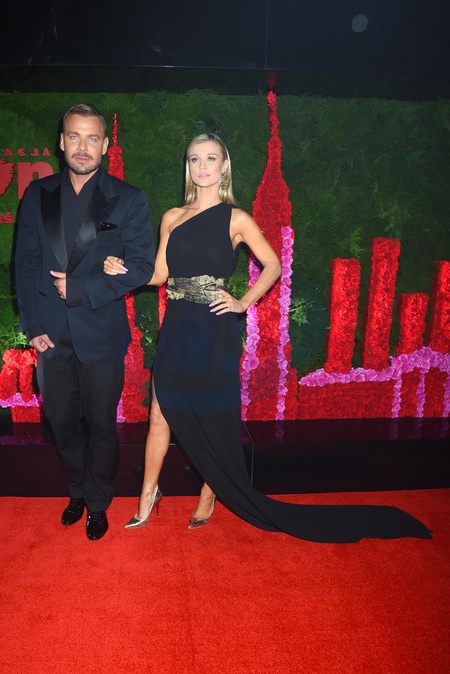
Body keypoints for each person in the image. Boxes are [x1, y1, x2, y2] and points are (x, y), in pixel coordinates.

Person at [104, 133, 432, 543]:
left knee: (214, 414)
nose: (202, 166)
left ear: (224, 166)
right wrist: (122, 270)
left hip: (214, 327)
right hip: (178, 327)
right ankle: (147, 496)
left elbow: (273, 264)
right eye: (194, 159)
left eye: (210, 158)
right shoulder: (172, 216)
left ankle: (211, 490)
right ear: (187, 166)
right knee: (159, 413)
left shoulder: (236, 219)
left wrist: (243, 302)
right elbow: (158, 276)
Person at [15, 104, 155, 540]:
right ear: (61, 141)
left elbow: (142, 267)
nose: (82, 146)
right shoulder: (37, 194)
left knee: (101, 426)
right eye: (74, 136)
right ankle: (76, 490)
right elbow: (25, 263)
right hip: (50, 335)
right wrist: (33, 326)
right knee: (61, 422)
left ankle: (97, 501)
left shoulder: (128, 198)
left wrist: (81, 288)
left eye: (92, 138)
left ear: (105, 145)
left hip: (101, 332)